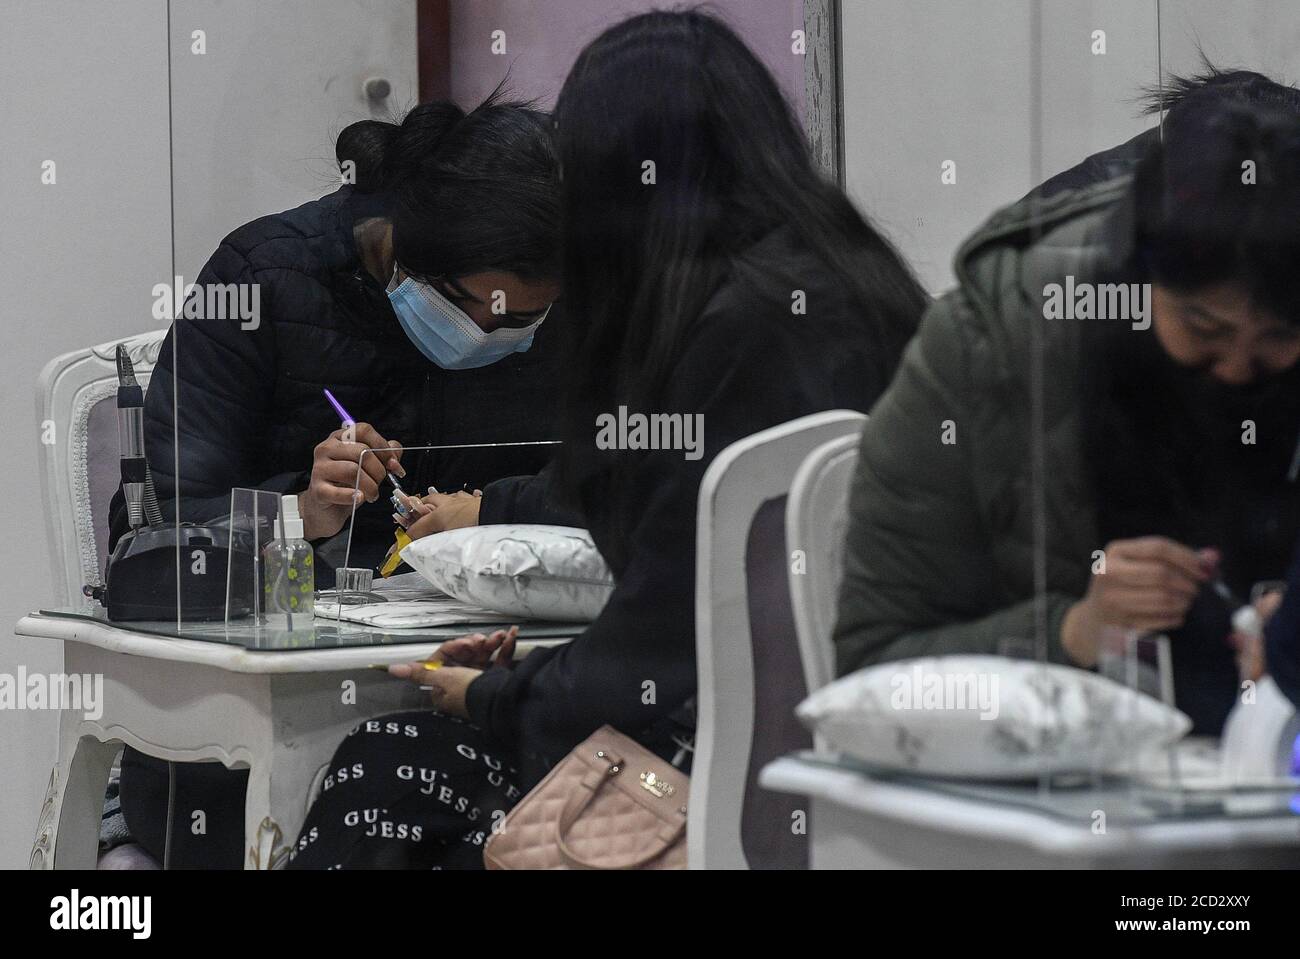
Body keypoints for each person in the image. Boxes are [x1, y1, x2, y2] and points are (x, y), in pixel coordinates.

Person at [285, 9, 928, 869]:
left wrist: (492, 694)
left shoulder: (723, 337)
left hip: (725, 784)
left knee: (384, 771)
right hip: (887, 771)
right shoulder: (863, 282)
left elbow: (660, 648)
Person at [112, 91, 567, 869]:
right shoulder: (260, 281)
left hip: (479, 691)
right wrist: (300, 512)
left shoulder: (545, 320)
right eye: (483, 316)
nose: (500, 341)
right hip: (260, 729)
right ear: (401, 252)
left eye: (527, 321)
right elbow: (164, 535)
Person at [835, 90, 1300, 737]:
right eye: (1204, 327)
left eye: (1278, 337)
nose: (1236, 368)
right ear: (1141, 271)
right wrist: (1073, 631)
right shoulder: (995, 344)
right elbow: (871, 668)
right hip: (1062, 796)